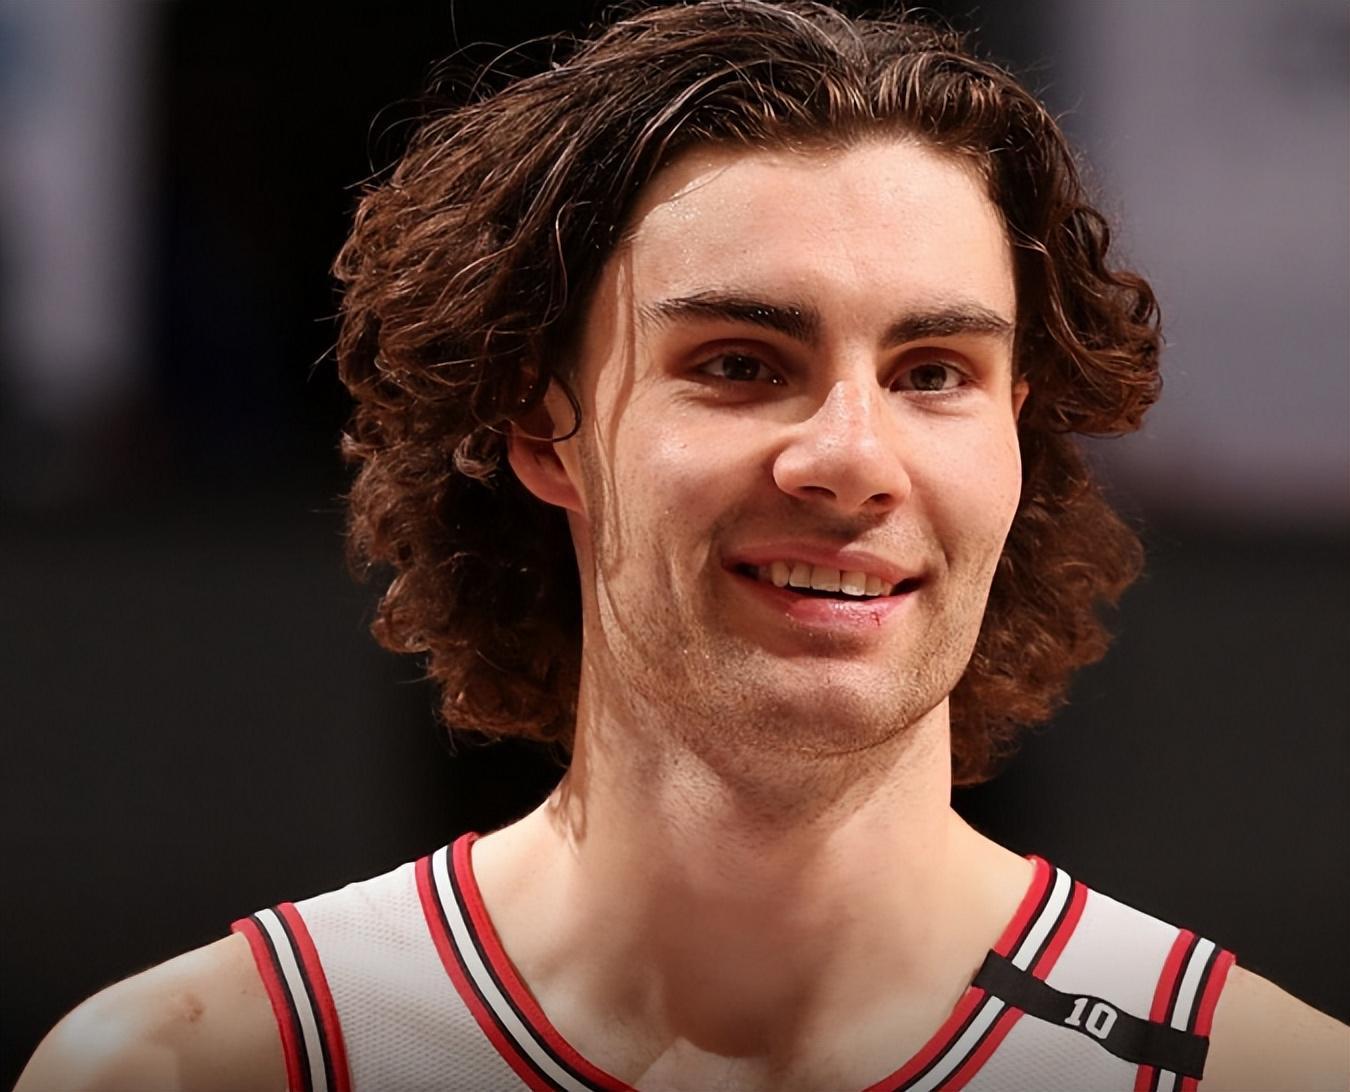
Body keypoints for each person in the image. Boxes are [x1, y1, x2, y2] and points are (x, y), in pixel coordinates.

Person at [17, 3, 1347, 1090]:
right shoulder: (198, 1069)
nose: (851, 456)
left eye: (933, 372)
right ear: (540, 428)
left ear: (1017, 431)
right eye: (739, 363)